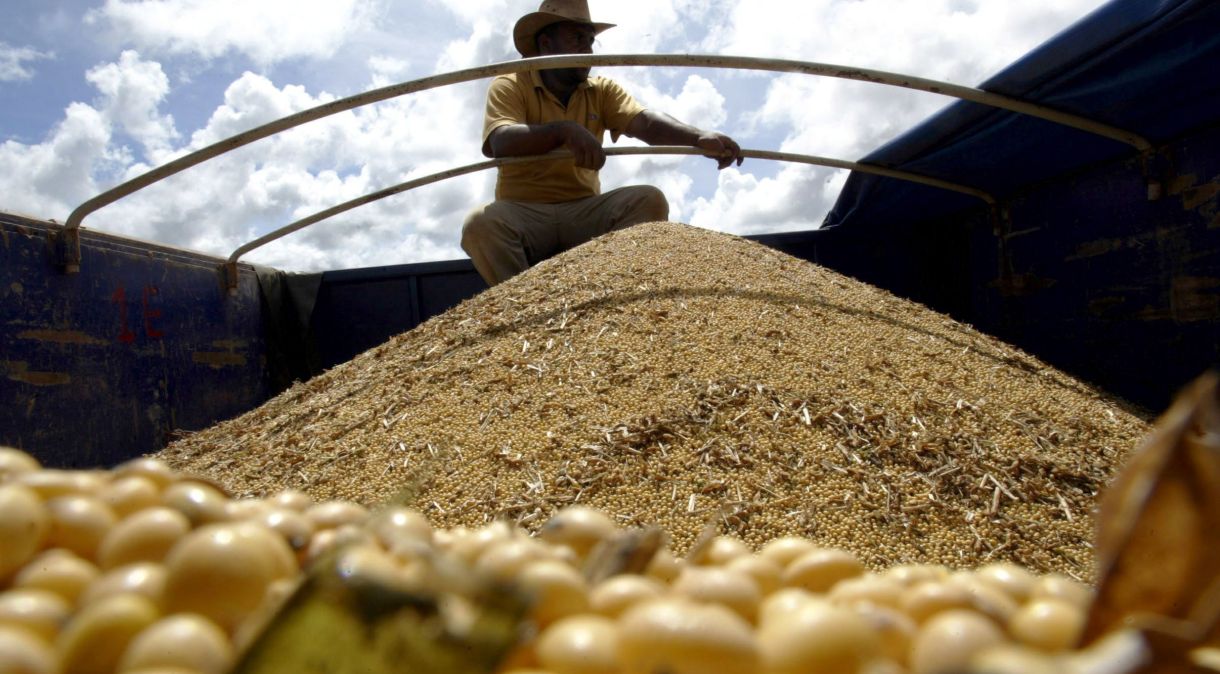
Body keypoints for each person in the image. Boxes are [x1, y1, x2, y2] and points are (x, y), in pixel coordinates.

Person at [461, 0, 744, 286]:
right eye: (576, 38)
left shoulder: (602, 91)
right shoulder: (511, 84)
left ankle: (610, 297)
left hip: (584, 209)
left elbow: (644, 122)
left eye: (590, 41)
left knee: (649, 199)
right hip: (524, 214)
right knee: (479, 225)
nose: (587, 49)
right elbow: (501, 140)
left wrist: (696, 137)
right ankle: (520, 305)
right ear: (546, 44)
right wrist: (564, 131)